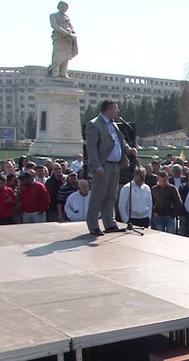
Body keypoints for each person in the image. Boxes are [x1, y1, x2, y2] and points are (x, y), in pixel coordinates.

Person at [85, 99, 137, 236]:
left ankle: (109, 223)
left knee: (111, 196)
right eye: (115, 109)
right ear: (108, 109)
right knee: (98, 196)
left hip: (115, 165)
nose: (117, 111)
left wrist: (128, 150)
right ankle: (93, 225)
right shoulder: (94, 124)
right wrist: (97, 165)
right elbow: (91, 148)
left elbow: (120, 141)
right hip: (103, 165)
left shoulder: (113, 125)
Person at [49, 1, 78, 78]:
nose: (64, 8)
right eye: (62, 6)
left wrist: (73, 35)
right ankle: (55, 72)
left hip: (68, 39)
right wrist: (65, 33)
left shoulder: (67, 18)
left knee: (67, 55)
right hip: (59, 37)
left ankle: (63, 73)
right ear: (58, 7)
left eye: (65, 7)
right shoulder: (53, 15)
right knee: (58, 55)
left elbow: (72, 28)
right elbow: (54, 25)